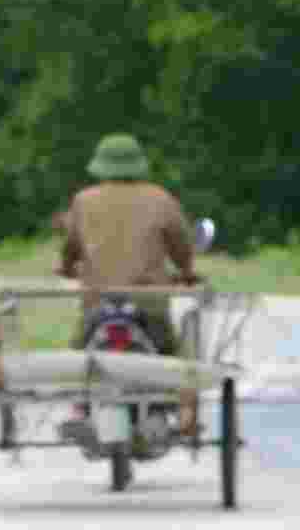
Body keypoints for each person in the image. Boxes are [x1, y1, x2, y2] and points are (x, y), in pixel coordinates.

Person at [52, 129, 198, 363]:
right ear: (138, 163)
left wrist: (67, 267)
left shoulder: (83, 200)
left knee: (79, 356)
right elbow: (181, 246)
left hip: (98, 303)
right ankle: (171, 396)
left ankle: (81, 399)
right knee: (169, 357)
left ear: (100, 165)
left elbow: (71, 247)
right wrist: (187, 271)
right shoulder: (161, 198)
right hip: (149, 303)